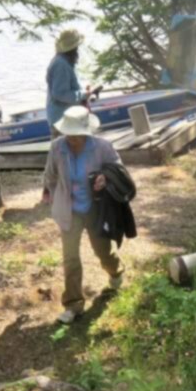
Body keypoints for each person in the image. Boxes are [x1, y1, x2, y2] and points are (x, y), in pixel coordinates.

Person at [41, 106, 125, 323]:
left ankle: (115, 271)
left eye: (77, 134)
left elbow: (118, 168)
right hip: (69, 210)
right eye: (68, 134)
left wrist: (105, 177)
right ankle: (73, 304)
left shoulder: (102, 147)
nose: (72, 139)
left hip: (96, 209)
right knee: (70, 258)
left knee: (102, 251)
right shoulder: (57, 147)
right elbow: (50, 175)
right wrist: (52, 195)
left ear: (87, 132)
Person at [46, 28, 99, 137]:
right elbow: (60, 94)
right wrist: (83, 94)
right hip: (63, 121)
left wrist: (84, 91)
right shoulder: (61, 64)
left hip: (70, 120)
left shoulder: (65, 62)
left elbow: (68, 88)